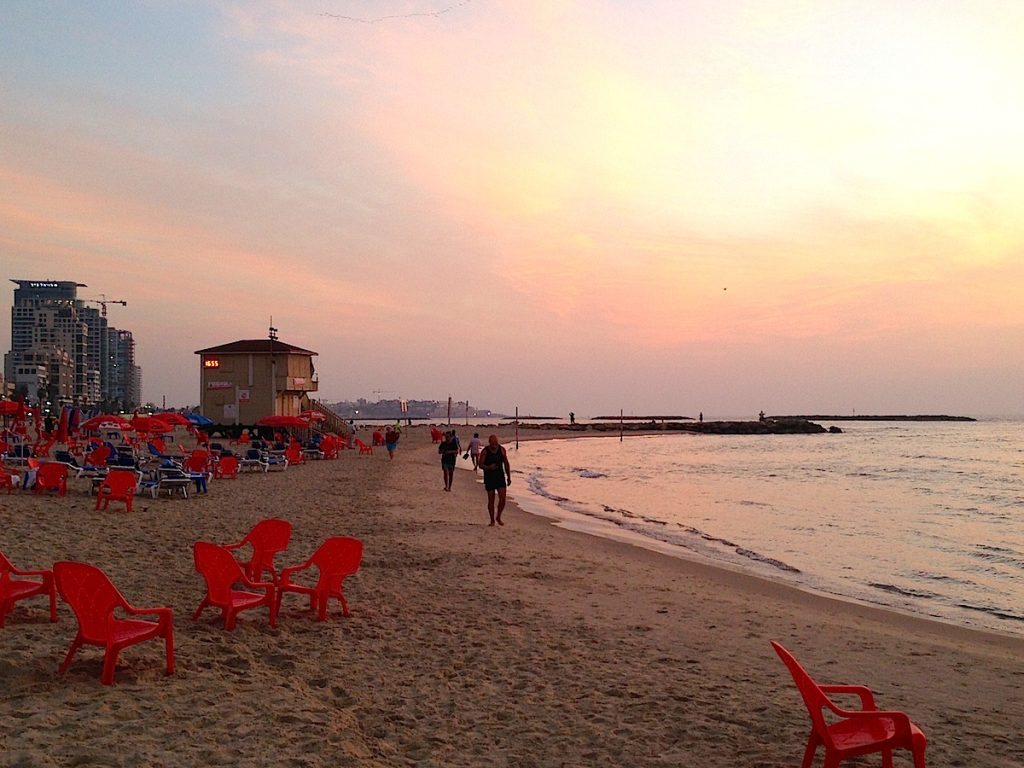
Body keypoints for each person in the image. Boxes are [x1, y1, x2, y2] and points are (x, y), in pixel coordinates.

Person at [479, 434, 511, 526]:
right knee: (491, 500)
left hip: (500, 476)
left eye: (496, 443)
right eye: (492, 444)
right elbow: (480, 465)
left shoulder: (501, 450)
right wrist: (489, 467)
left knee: (503, 499)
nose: (494, 446)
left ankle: (498, 516)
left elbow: (506, 463)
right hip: (489, 477)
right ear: (489, 443)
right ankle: (492, 520)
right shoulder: (485, 451)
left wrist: (509, 476)